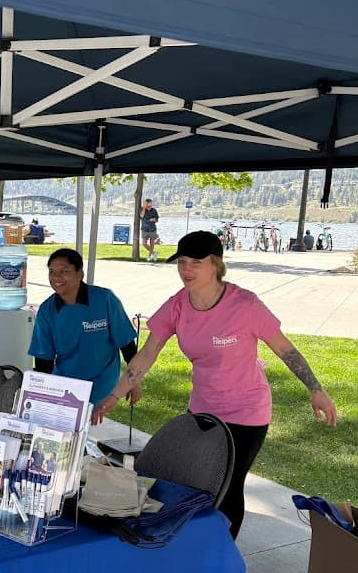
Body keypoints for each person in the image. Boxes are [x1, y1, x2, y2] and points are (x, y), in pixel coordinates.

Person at [92, 231, 337, 540]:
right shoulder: (177, 305)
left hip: (247, 412)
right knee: (194, 480)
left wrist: (315, 389)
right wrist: (115, 395)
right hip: (203, 409)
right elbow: (149, 352)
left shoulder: (245, 304)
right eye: (181, 262)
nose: (186, 269)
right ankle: (198, 545)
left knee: (228, 486)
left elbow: (285, 350)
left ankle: (223, 552)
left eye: (196, 262)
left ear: (216, 265)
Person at [28, 248, 141, 405]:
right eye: (52, 272)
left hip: (103, 385)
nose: (56, 277)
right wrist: (43, 395)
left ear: (80, 274)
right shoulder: (47, 310)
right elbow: (43, 359)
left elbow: (127, 344)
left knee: (93, 419)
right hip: (66, 386)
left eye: (64, 271)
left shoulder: (105, 299)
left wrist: (133, 381)